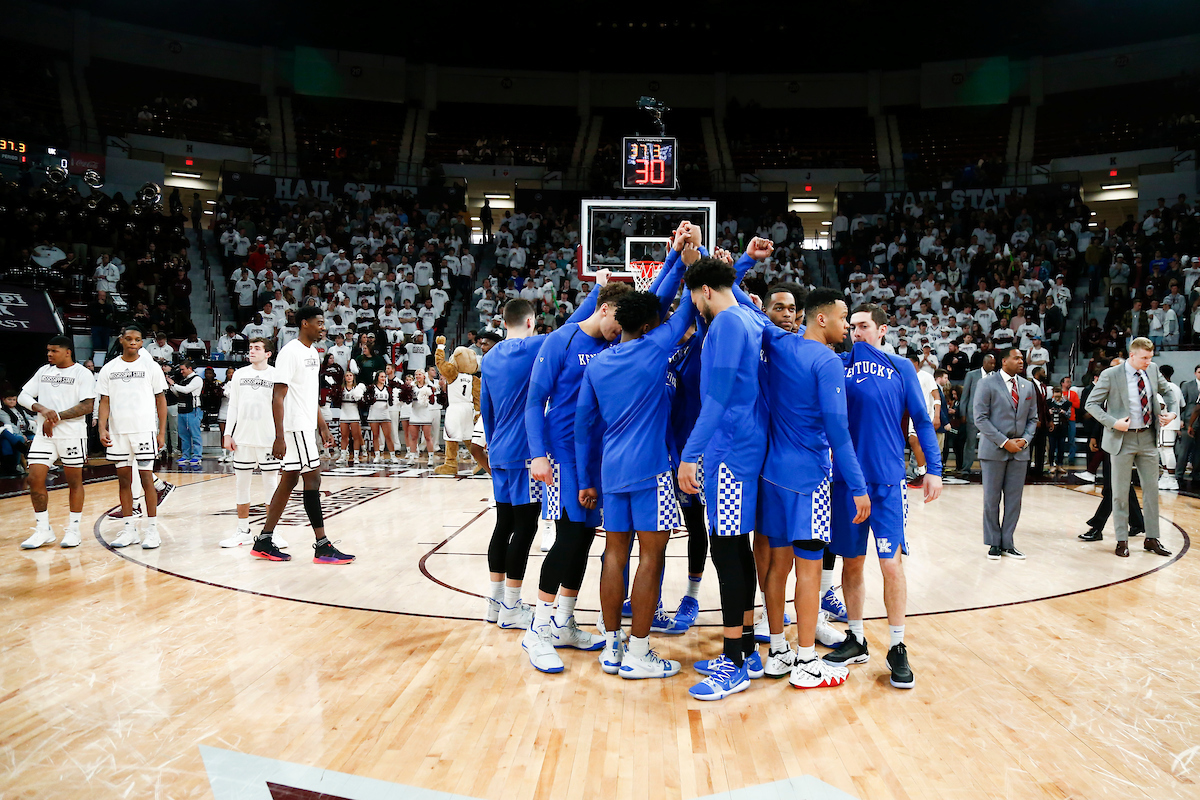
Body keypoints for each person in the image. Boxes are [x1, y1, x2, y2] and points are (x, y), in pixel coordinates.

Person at [575, 270, 696, 680]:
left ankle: (612, 647)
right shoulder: (652, 348)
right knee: (651, 557)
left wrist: (585, 480)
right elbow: (683, 315)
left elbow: (582, 426)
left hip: (611, 470)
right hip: (651, 470)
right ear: (647, 327)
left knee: (613, 554)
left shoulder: (597, 364)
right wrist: (684, 260)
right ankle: (640, 652)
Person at [748, 288, 867, 692]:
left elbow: (742, 305)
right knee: (809, 569)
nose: (847, 324)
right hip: (809, 479)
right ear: (822, 319)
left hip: (771, 475)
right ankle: (805, 659)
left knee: (777, 566)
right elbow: (839, 433)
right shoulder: (828, 362)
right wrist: (858, 487)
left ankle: (777, 650)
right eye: (843, 317)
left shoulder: (779, 343)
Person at [821, 303, 942, 689]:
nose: (857, 332)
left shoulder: (902, 368)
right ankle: (856, 638)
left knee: (891, 566)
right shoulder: (837, 364)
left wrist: (934, 469)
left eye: (864, 326)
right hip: (846, 483)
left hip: (888, 484)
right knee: (851, 566)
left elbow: (923, 421)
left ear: (882, 329)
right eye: (853, 326)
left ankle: (897, 645)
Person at [522, 277, 630, 673]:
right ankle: (537, 628)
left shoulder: (611, 346)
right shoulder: (561, 341)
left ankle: (564, 620)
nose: (620, 331)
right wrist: (538, 455)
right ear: (603, 308)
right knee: (567, 538)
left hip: (596, 459)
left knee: (584, 540)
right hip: (562, 455)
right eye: (618, 321)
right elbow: (535, 402)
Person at [676, 253, 771, 701]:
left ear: (705, 291)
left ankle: (734, 664)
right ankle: (746, 649)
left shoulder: (730, 324)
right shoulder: (749, 317)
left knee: (728, 554)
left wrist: (690, 456)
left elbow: (714, 399)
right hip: (743, 443)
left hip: (728, 451)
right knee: (737, 553)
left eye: (695, 297)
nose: (695, 306)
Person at [253, 306, 352, 564]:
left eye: (324, 323)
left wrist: (321, 425)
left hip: (307, 425)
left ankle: (264, 540)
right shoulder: (289, 352)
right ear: (305, 323)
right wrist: (279, 436)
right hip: (294, 427)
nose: (324, 327)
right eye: (319, 323)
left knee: (288, 482)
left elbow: (309, 394)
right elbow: (278, 396)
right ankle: (322, 546)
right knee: (313, 481)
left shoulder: (313, 353)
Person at [1084, 337, 1177, 558]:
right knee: (1119, 492)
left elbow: (1170, 393)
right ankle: (1121, 540)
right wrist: (1112, 422)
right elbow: (1091, 404)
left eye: (1150, 358)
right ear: (1132, 355)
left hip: (1147, 437)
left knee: (1152, 492)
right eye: (1144, 358)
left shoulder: (1152, 370)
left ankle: (1152, 538)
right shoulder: (1111, 374)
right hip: (1122, 439)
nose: (1148, 361)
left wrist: (1172, 413)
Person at [17, 337, 96, 549]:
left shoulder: (82, 373)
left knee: (74, 482)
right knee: (34, 479)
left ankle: (74, 529)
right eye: (48, 351)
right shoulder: (44, 371)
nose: (49, 354)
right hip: (45, 436)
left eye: (53, 351)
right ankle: (44, 530)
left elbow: (88, 405)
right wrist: (42, 409)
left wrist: (56, 417)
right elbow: (22, 396)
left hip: (72, 435)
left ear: (68, 352)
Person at [97, 325, 168, 549]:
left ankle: (152, 530)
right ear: (121, 340)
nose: (133, 343)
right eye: (129, 339)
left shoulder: (150, 366)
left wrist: (161, 431)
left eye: (137, 339)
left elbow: (161, 400)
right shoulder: (109, 368)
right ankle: (129, 529)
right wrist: (102, 428)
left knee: (147, 480)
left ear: (141, 342)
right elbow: (104, 401)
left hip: (143, 430)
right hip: (118, 432)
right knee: (124, 481)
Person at [219, 338, 288, 550]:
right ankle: (242, 530)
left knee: (271, 486)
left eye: (257, 348)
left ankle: (271, 532)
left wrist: (280, 436)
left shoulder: (276, 374)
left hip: (267, 439)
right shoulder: (239, 374)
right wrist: (228, 433)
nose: (252, 351)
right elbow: (233, 407)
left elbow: (282, 408)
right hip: (243, 438)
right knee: (242, 485)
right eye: (250, 348)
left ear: (268, 353)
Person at [973, 348, 1038, 560]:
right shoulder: (986, 383)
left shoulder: (1028, 386)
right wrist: (1004, 441)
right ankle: (993, 542)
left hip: (1020, 451)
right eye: (1016, 358)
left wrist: (1025, 439)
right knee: (991, 499)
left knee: (1014, 500)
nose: (1021, 361)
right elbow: (980, 418)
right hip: (993, 450)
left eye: (1022, 358)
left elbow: (1033, 419)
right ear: (1004, 361)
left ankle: (1008, 542)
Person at [167, 361, 203, 466]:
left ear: (190, 368)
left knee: (195, 434)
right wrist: (171, 386)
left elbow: (186, 390)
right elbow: (178, 393)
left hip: (193, 409)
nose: (181, 372)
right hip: (182, 408)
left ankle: (197, 456)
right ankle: (186, 455)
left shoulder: (197, 379)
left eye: (183, 369)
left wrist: (173, 384)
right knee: (183, 435)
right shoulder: (184, 380)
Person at [336, 372, 366, 465]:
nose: (349, 377)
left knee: (356, 436)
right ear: (344, 378)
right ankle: (343, 456)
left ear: (353, 377)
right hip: (344, 414)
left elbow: (362, 403)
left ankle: (356, 457)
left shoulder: (357, 388)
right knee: (344, 436)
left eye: (350, 375)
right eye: (347, 376)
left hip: (354, 414)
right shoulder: (341, 389)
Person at [366, 370, 395, 464]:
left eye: (384, 377)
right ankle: (377, 456)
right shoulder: (371, 388)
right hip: (374, 413)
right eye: (381, 377)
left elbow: (391, 401)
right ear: (377, 377)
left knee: (388, 436)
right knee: (375, 435)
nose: (383, 378)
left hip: (385, 413)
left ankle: (393, 456)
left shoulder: (388, 388)